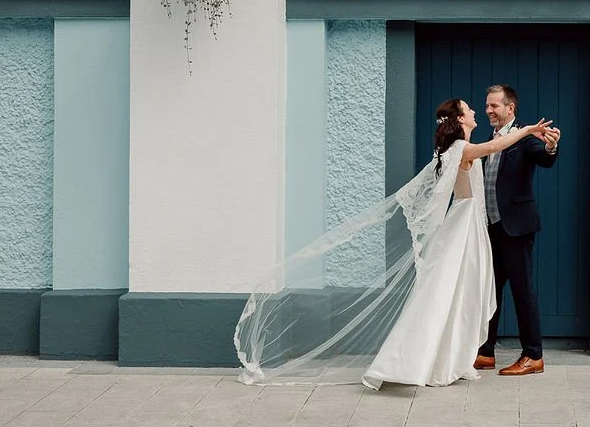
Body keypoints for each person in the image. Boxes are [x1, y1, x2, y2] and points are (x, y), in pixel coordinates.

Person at [233, 98, 553, 389]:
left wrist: (537, 141)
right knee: (449, 295)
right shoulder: (461, 149)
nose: (475, 112)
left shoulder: (458, 146)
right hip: (465, 228)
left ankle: (456, 356)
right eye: (470, 109)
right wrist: (526, 129)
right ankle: (418, 360)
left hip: (467, 225)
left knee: (455, 295)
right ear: (460, 119)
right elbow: (496, 148)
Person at [475, 84, 561, 376]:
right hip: (491, 228)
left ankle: (533, 356)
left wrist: (550, 145)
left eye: (494, 106)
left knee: (523, 292)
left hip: (516, 228)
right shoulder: (491, 138)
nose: (488, 110)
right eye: (486, 105)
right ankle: (485, 352)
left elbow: (544, 156)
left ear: (510, 108)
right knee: (490, 292)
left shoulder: (525, 136)